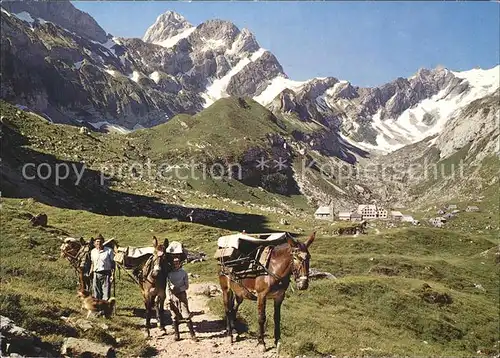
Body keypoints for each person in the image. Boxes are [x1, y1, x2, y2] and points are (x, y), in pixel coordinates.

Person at [167, 254, 196, 341]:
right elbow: (167, 287)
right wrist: (168, 297)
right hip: (172, 296)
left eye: (177, 263)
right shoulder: (169, 274)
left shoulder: (183, 273)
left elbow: (186, 286)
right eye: (174, 263)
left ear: (180, 263)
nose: (175, 264)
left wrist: (179, 289)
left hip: (181, 295)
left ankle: (192, 335)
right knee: (174, 316)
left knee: (186, 314)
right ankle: (177, 335)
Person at [90, 234, 115, 300]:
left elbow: (113, 263)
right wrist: (91, 271)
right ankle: (98, 308)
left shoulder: (109, 251)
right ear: (95, 243)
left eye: (100, 241)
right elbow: (93, 262)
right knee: (96, 292)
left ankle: (105, 308)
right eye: (97, 241)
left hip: (106, 273)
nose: (99, 243)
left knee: (106, 292)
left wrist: (113, 274)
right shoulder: (93, 251)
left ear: (103, 242)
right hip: (96, 273)